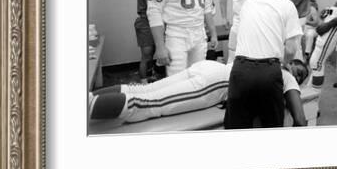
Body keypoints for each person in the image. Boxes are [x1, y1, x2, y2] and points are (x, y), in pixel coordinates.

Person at [89, 59, 309, 127]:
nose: (297, 77)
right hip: (217, 82)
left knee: (143, 90)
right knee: (146, 103)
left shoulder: (267, 56)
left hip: (210, 67)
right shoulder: (285, 76)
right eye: (299, 72)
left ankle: (89, 98)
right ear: (290, 65)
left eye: (301, 77)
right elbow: (300, 117)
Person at [224, 0, 303, 129]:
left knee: (235, 131)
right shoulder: (287, 5)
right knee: (270, 131)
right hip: (268, 73)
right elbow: (290, 50)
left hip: (239, 72)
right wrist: (285, 63)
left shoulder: (248, 4)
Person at [134, 0, 163, 82]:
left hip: (154, 22)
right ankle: (143, 82)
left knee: (153, 53)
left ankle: (150, 76)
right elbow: (154, 7)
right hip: (145, 22)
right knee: (147, 54)